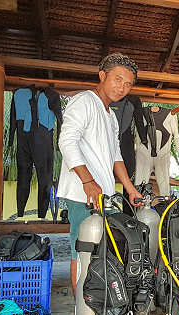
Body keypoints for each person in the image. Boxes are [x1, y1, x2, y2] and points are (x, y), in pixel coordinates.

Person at [57, 53, 143, 296]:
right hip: (82, 194)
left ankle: (100, 304)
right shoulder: (84, 102)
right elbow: (67, 141)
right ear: (102, 75)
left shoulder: (111, 115)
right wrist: (88, 181)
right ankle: (82, 313)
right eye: (118, 80)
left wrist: (130, 188)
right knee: (83, 251)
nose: (122, 88)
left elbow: (116, 155)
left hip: (105, 196)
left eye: (128, 84)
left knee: (105, 250)